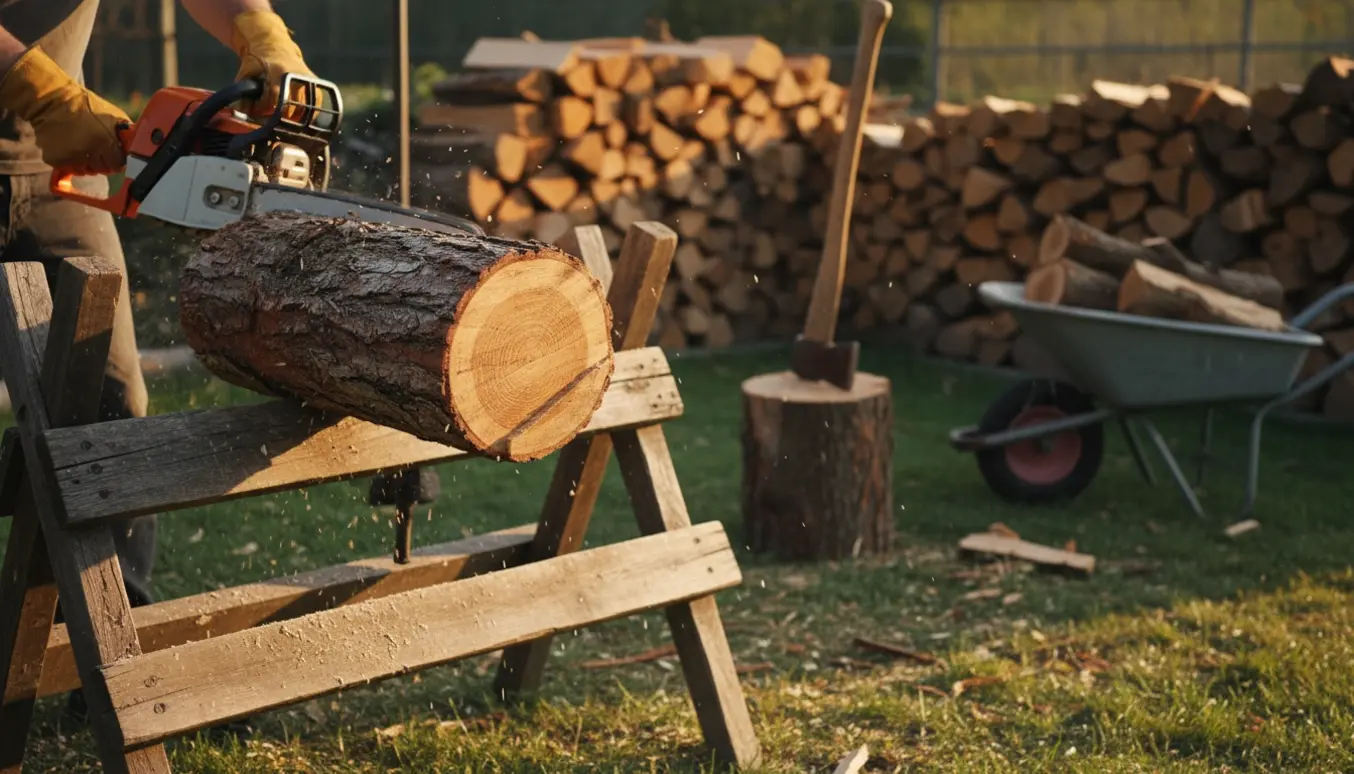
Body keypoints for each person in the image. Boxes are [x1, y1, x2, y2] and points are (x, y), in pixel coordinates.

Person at [0, 0, 318, 729]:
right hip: (52, 115)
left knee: (109, 411)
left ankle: (112, 651)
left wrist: (258, 30)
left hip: (56, 168)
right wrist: (41, 89)